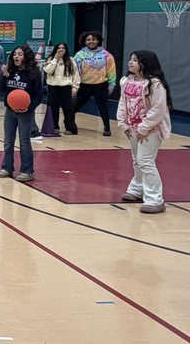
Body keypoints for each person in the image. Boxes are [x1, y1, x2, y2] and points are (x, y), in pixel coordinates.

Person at [116, 50, 172, 214]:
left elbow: (158, 109)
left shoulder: (155, 84)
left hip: (151, 129)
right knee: (136, 160)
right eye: (130, 59)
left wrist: (144, 127)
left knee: (145, 161)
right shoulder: (126, 80)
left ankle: (155, 199)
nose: (130, 62)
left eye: (135, 60)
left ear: (145, 63)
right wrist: (123, 123)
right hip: (132, 127)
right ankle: (137, 188)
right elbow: (123, 102)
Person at [0, 45, 43, 183]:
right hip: (10, 111)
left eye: (20, 54)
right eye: (15, 54)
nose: (16, 56)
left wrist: (28, 108)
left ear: (26, 56)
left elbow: (38, 97)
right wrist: (4, 76)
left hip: (25, 113)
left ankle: (27, 171)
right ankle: (7, 167)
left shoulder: (34, 73)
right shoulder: (9, 71)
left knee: (24, 141)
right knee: (8, 141)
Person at [73, 31, 117, 136]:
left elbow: (111, 70)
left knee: (103, 107)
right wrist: (75, 85)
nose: (91, 41)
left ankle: (107, 128)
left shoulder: (106, 55)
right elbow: (75, 71)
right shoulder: (79, 55)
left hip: (100, 85)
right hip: (84, 85)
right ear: (85, 41)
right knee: (75, 106)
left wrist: (112, 84)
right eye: (88, 40)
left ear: (98, 41)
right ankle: (69, 124)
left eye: (93, 39)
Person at [42, 42, 80, 136]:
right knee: (53, 108)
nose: (61, 49)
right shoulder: (51, 59)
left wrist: (75, 87)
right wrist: (55, 59)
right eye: (59, 48)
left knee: (68, 108)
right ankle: (54, 127)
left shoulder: (71, 60)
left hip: (66, 87)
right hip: (53, 87)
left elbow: (76, 75)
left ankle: (71, 128)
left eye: (63, 48)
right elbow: (48, 70)